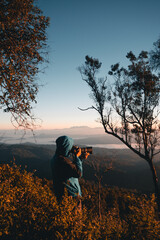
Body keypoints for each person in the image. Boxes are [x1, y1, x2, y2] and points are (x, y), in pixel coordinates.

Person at [50, 135, 89, 204]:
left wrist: (79, 159)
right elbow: (78, 173)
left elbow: (70, 169)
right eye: (70, 146)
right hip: (71, 197)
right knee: (75, 215)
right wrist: (77, 157)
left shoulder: (56, 158)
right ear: (66, 147)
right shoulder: (63, 161)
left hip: (62, 195)